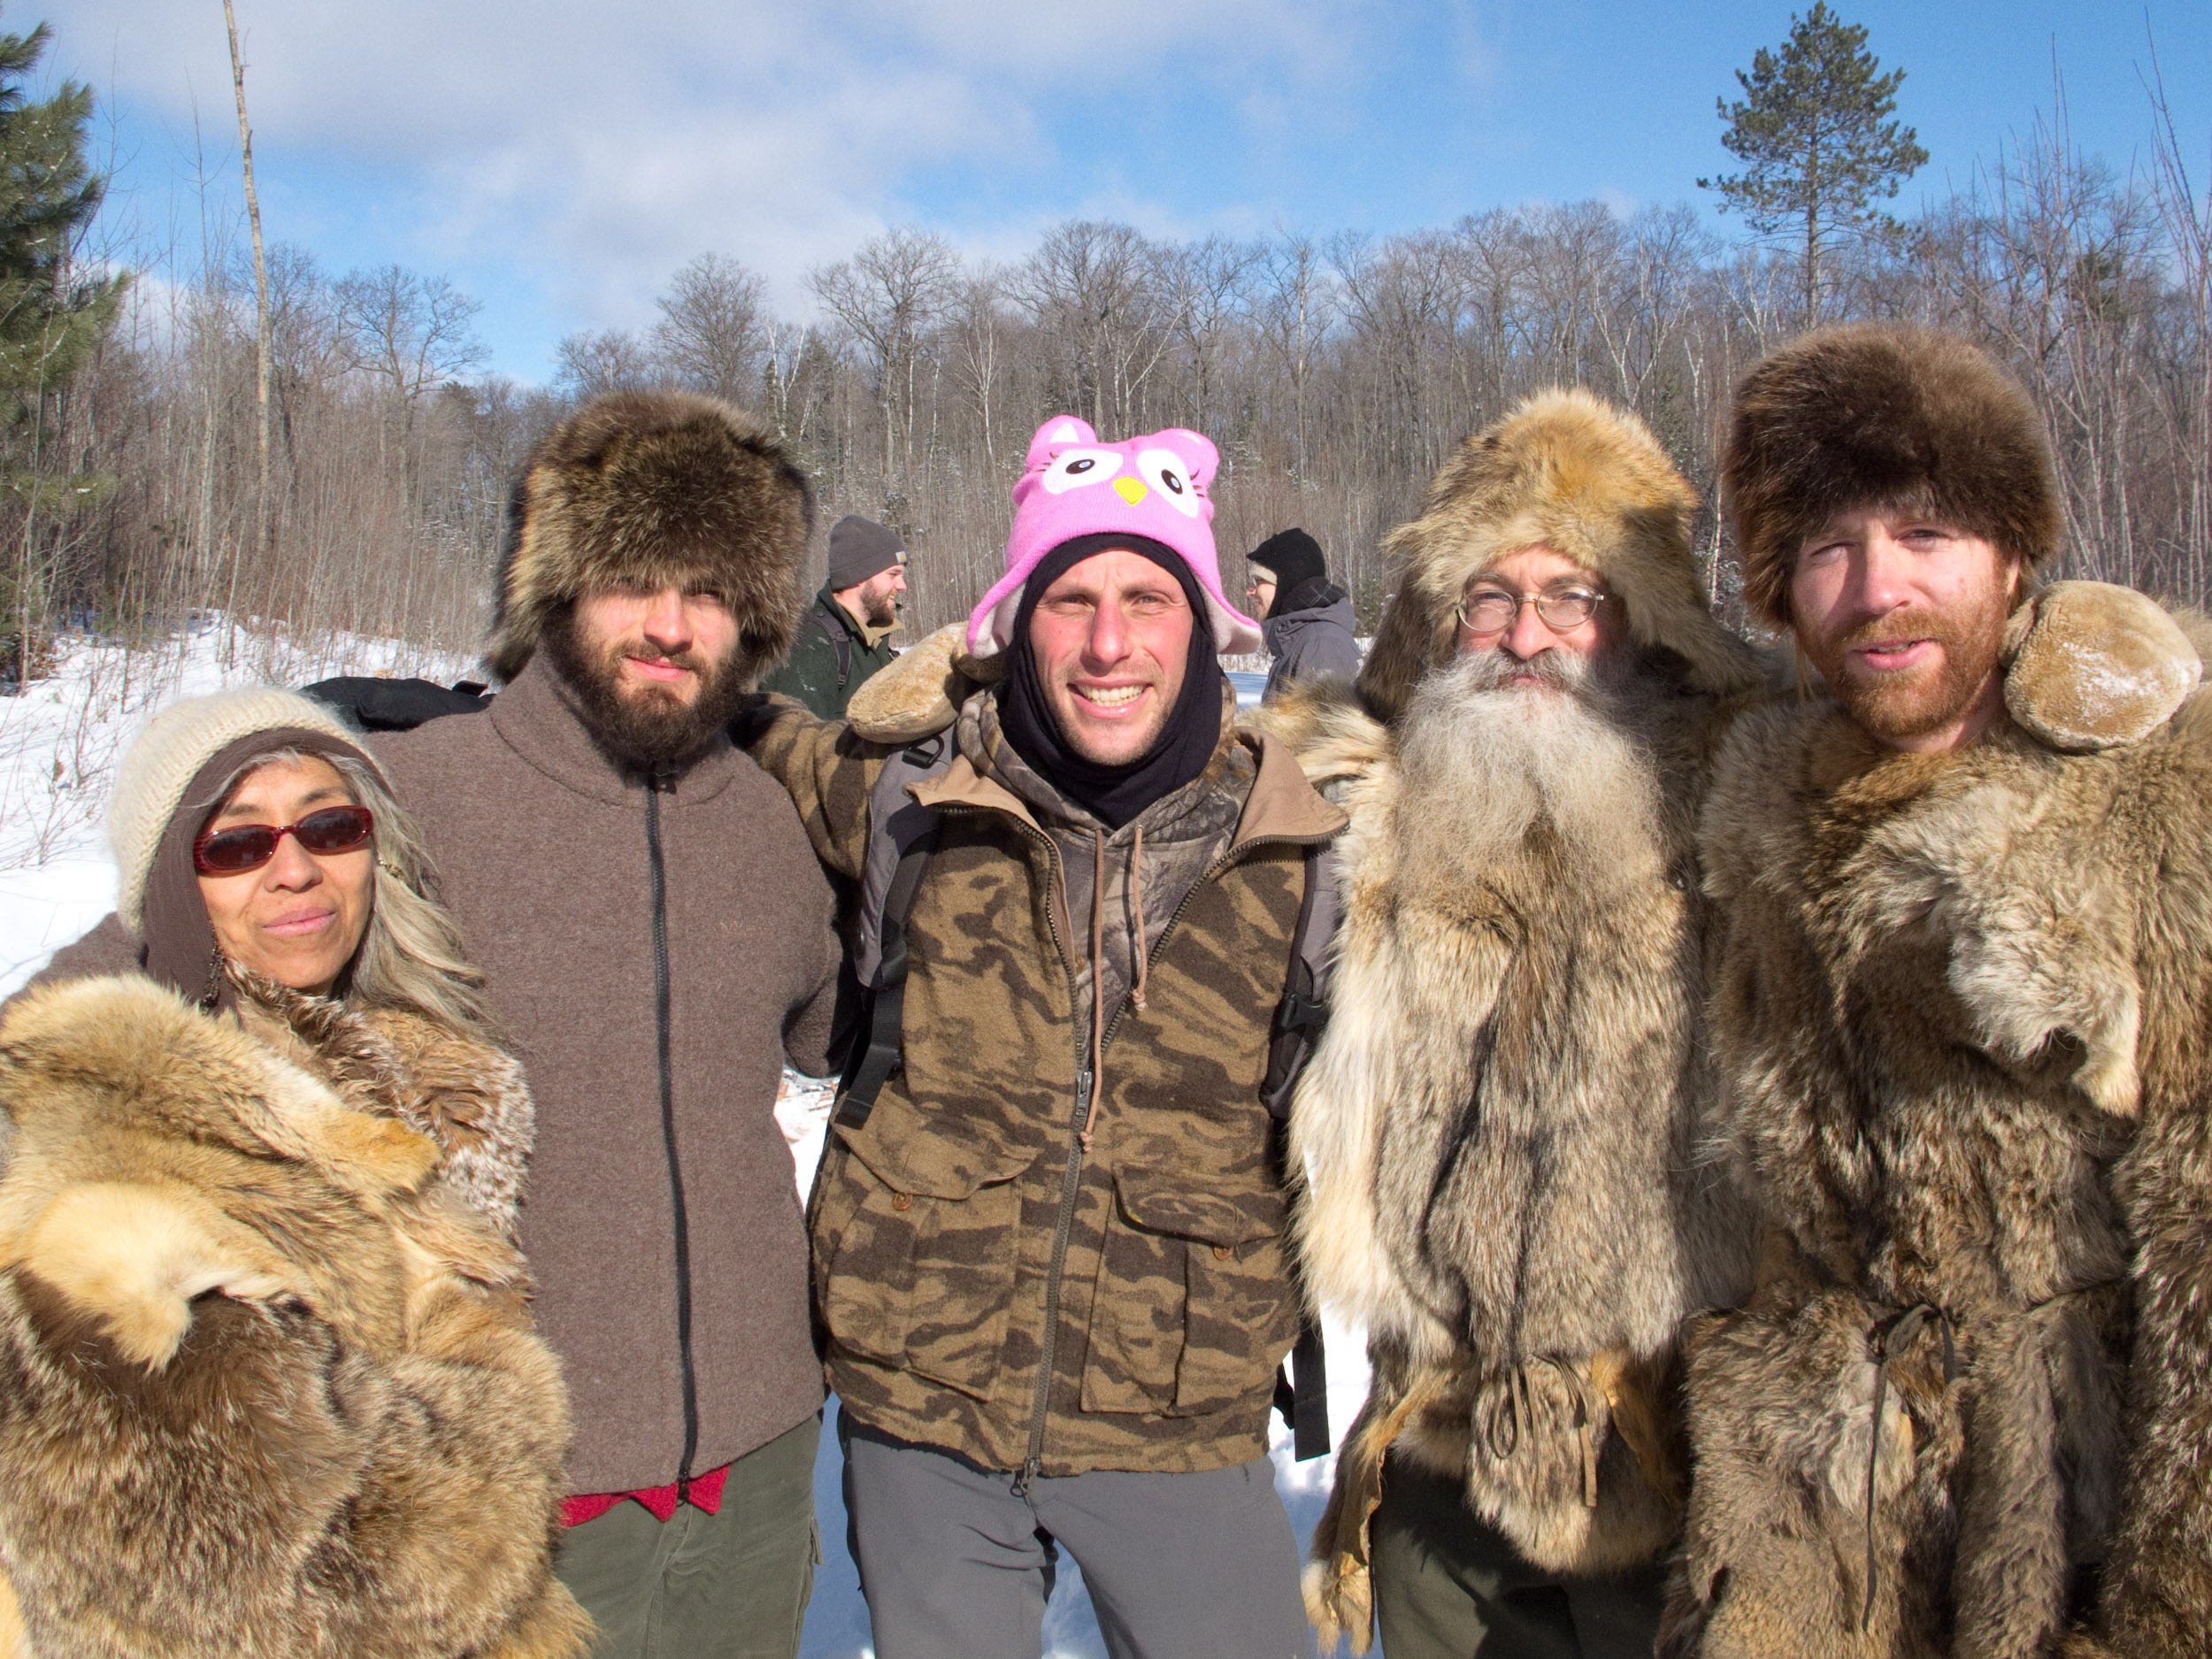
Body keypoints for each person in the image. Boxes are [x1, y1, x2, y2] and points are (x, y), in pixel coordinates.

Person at [735, 413, 1345, 1659]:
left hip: (1179, 1410)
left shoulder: (1310, 848)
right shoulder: (907, 796)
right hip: (926, 1397)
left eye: (1145, 597)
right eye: (1071, 599)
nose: (1109, 642)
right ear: (1015, 621)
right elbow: (719, 733)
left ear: (1205, 623)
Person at [1666, 325, 2212, 1657]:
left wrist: (2166, 1605)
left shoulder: (2158, 798)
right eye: (1829, 550)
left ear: (2015, 555)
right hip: (1825, 1537)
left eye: (1925, 535)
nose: (1877, 590)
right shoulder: (1765, 819)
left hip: (2075, 1530)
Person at [1269, 391, 1766, 1659]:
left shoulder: (1739, 791)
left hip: (1664, 1443)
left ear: (1640, 620)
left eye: (1570, 596)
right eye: (1490, 596)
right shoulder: (1370, 790)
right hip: (1435, 1438)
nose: (1526, 635)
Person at [370, 391, 842, 1659]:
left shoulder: (767, 820)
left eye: (709, 588)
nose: (672, 626)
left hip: (757, 1451)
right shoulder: (414, 791)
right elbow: (187, 942)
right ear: (556, 586)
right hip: (511, 1463)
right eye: (633, 578)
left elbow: (836, 1027)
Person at [0, 686, 586, 1658]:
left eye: (330, 825)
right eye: (235, 845)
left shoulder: (411, 1071)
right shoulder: (113, 1167)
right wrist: (501, 1393)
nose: (296, 871)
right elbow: (244, 1581)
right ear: (173, 887)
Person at [759, 513, 910, 718]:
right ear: (858, 576)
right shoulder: (809, 646)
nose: (902, 585)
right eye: (893, 574)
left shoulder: (873, 643)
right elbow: (791, 744)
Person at [1246, 526, 1360, 702]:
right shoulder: (1298, 640)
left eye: (1260, 580)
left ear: (1287, 584)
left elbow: (1328, 727)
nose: (1251, 591)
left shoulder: (1321, 645)